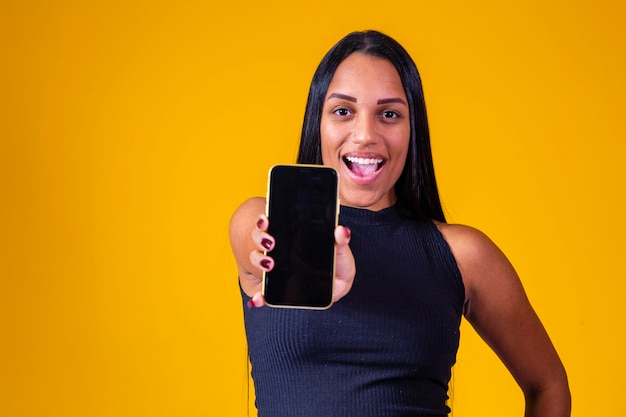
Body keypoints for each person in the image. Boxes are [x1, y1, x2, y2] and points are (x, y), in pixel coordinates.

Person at [229, 30, 570, 417]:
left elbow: (548, 385)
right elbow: (253, 238)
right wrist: (289, 251)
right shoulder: (265, 219)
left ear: (414, 128)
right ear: (317, 122)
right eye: (343, 111)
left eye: (389, 114)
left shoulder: (463, 255)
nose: (365, 135)